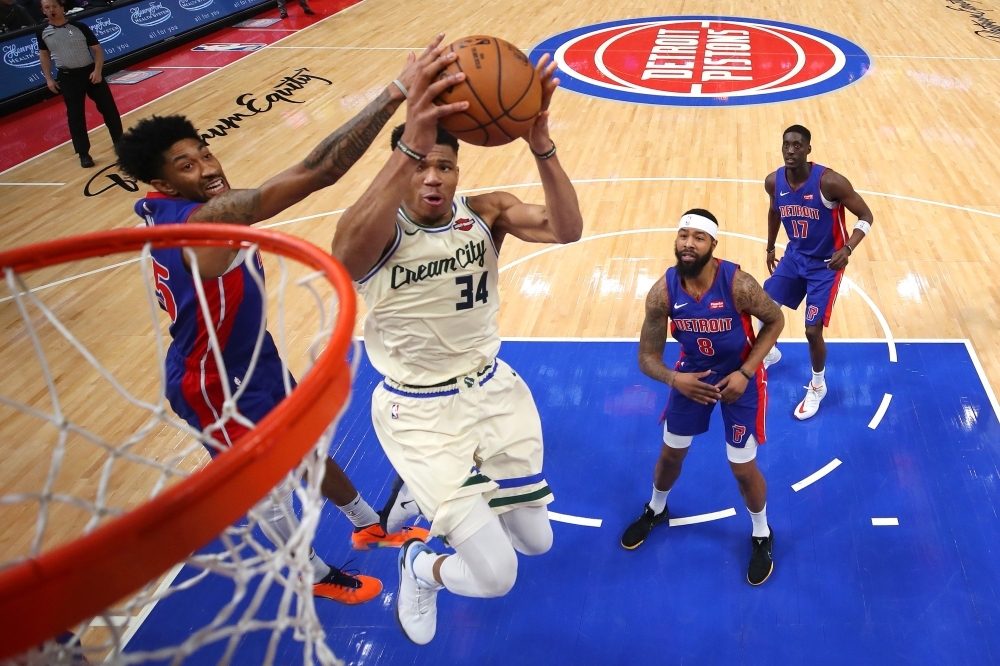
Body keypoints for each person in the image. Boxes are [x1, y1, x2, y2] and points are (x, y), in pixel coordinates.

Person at [113, 46, 440, 604]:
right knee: (263, 488)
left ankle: (368, 522)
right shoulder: (198, 224)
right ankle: (311, 572)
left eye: (205, 152)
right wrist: (395, 93)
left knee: (310, 449)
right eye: (186, 165)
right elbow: (320, 170)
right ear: (163, 185)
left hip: (253, 359)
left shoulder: (185, 209)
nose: (209, 167)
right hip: (211, 384)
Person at [331, 39, 583, 645]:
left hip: (492, 390)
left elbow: (568, 230)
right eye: (421, 165)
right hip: (419, 411)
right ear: (404, 165)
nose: (433, 177)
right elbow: (342, 256)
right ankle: (422, 567)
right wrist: (411, 140)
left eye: (445, 166)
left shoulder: (485, 213)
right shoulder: (378, 233)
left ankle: (460, 499)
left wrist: (539, 141)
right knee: (497, 576)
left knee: (537, 540)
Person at [621, 209, 784, 586]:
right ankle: (656, 509)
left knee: (742, 468)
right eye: (683, 235)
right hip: (692, 376)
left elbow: (775, 319)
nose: (688, 243)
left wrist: (745, 373)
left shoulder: (738, 284)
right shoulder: (663, 291)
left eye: (698, 237)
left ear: (713, 244)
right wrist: (676, 379)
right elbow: (647, 357)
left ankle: (761, 533)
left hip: (740, 380)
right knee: (670, 454)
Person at [760, 125, 874, 419]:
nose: (790, 151)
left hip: (826, 266)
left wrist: (847, 249)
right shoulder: (774, 181)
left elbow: (866, 216)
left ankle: (818, 386)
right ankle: (770, 353)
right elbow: (774, 211)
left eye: (797, 146)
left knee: (812, 331)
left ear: (808, 149)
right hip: (795, 257)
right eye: (786, 145)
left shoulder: (830, 182)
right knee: (762, 308)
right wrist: (771, 247)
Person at [36, 0, 121, 168]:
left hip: (90, 73)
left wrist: (97, 71)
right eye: (47, 7)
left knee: (109, 110)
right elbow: (44, 55)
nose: (51, 10)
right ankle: (84, 154)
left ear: (61, 8)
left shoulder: (80, 27)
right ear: (43, 11)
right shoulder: (42, 32)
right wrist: (48, 78)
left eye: (54, 6)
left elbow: (97, 50)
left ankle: (121, 147)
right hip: (68, 77)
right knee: (75, 117)